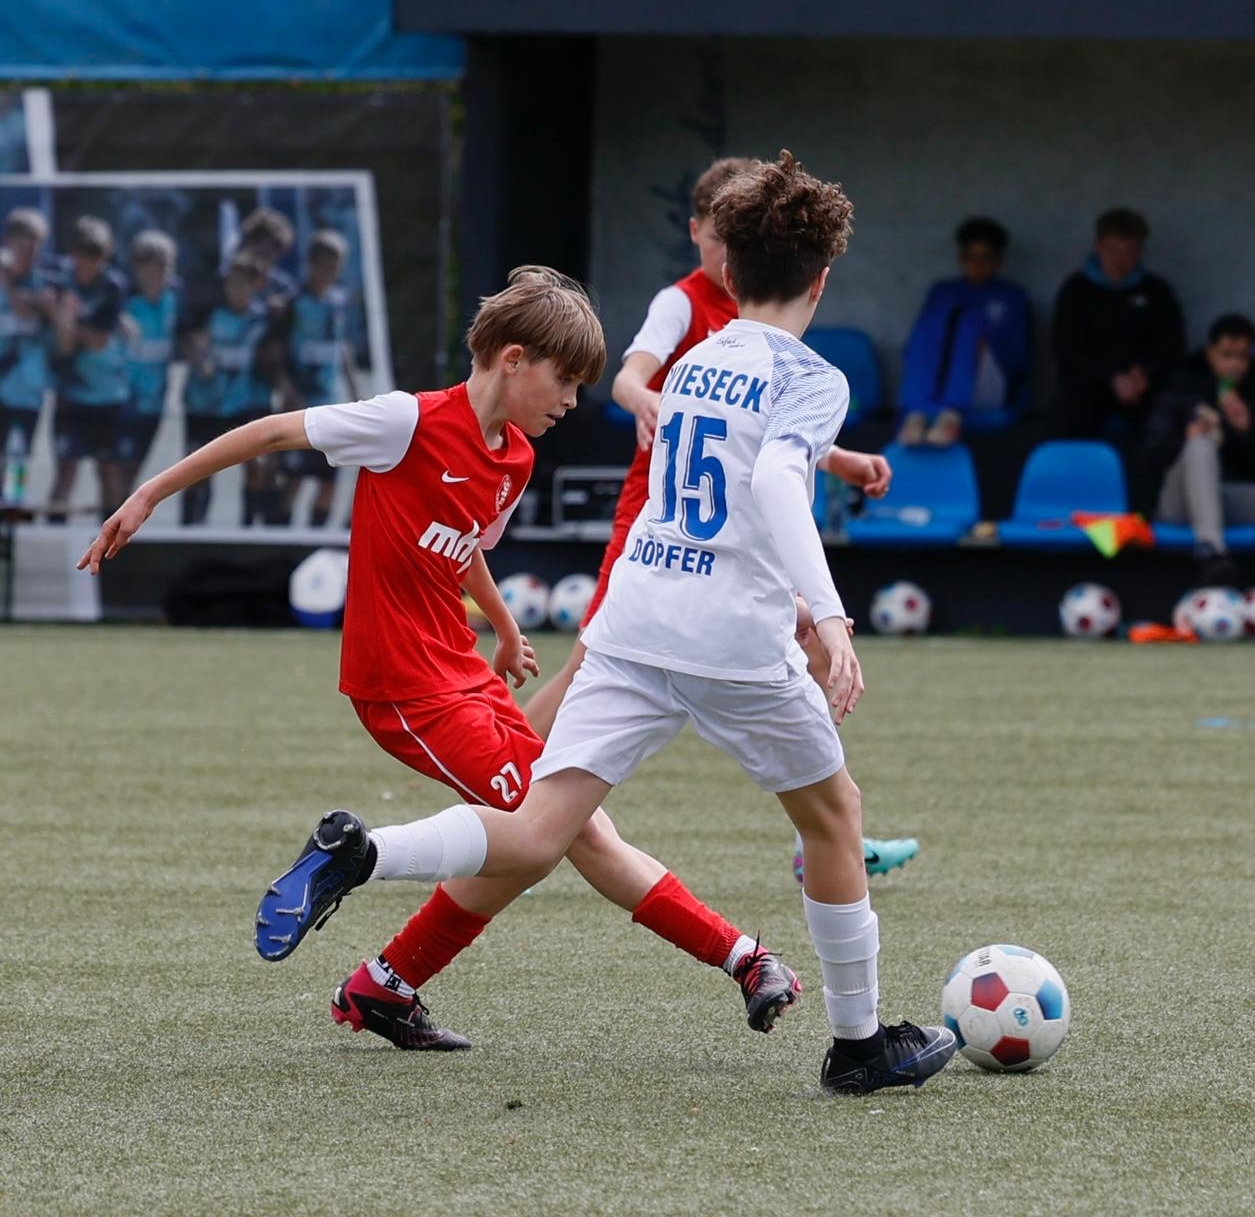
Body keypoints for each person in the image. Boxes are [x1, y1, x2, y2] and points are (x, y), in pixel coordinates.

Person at [251, 154, 959, 1094]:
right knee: (833, 815)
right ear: (821, 280)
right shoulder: (812, 377)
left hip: (633, 621)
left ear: (727, 271)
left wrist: (791, 597)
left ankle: (366, 850)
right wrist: (824, 614)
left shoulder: (695, 362)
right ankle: (860, 1044)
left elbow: (700, 510)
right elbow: (775, 484)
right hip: (728, 642)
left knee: (539, 831)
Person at [79, 266, 802, 1051]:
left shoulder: (514, 457)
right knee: (576, 830)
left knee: (531, 844)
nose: (570, 401)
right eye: (564, 380)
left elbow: (464, 543)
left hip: (463, 673)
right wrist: (149, 493)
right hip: (402, 687)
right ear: (514, 359)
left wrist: (503, 624)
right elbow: (272, 432)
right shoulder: (405, 422)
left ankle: (384, 985)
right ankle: (744, 958)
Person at [523, 156, 919, 884]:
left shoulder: (726, 346)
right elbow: (637, 383)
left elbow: (758, 439)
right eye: (711, 234)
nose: (717, 250)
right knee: (582, 671)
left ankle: (821, 831)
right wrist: (645, 399)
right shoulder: (686, 311)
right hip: (667, 524)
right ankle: (499, 769)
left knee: (805, 656)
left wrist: (836, 458)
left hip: (713, 538)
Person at [1142, 313, 1255, 641]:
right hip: (1177, 501)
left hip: (1226, 498)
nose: (1235, 365)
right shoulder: (1183, 379)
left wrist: (1245, 431)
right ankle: (1212, 554)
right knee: (1200, 445)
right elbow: (1149, 454)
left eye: (1243, 357)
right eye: (1227, 355)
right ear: (1210, 353)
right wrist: (1185, 437)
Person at [895, 217, 1032, 447]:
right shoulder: (943, 292)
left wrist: (983, 346)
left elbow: (1019, 360)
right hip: (938, 382)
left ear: (999, 261)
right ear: (961, 258)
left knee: (970, 322)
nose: (977, 265)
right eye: (971, 257)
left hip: (987, 386)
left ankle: (950, 415)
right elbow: (918, 346)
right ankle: (916, 413)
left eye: (985, 258)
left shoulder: (1012, 297)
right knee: (938, 315)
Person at [1052, 207, 1185, 439]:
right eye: (1112, 250)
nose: (1120, 260)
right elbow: (1065, 347)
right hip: (1090, 382)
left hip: (1143, 383)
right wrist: (1111, 377)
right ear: (1097, 246)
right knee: (1068, 414)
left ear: (1140, 251)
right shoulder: (1076, 289)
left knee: (1168, 420)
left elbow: (1173, 345)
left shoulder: (1156, 290)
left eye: (1130, 251)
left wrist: (1143, 373)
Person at [179, 252, 275, 525]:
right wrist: (200, 358)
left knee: (255, 466)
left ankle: (248, 527)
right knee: (198, 470)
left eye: (242, 283)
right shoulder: (210, 315)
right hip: (203, 405)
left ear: (254, 285)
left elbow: (271, 357)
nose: (236, 290)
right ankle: (191, 527)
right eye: (231, 283)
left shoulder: (263, 320)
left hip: (241, 406)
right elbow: (190, 343)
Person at [273, 229, 358, 526]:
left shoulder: (338, 301)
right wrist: (287, 390)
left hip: (331, 402)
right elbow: (277, 352)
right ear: (310, 264)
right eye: (323, 266)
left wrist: (354, 389)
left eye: (334, 267)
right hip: (300, 404)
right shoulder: (293, 302)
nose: (329, 273)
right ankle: (282, 538)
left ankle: (316, 536)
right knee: (294, 478)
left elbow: (341, 346)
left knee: (329, 479)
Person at [49, 216, 129, 521]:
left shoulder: (112, 286)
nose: (89, 264)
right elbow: (64, 345)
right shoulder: (60, 280)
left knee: (109, 471)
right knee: (65, 470)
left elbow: (98, 340)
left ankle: (113, 541)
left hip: (109, 396)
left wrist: (66, 319)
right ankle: (51, 534)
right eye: (84, 255)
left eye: (96, 257)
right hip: (71, 395)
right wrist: (64, 322)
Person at [0, 208, 60, 483]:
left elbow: (28, 311)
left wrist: (7, 281)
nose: (28, 255)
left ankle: (13, 506)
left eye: (34, 248)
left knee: (18, 457)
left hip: (26, 389)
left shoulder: (47, 283)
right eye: (21, 247)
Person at [121, 231, 181, 488]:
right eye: (151, 265)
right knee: (115, 472)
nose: (159, 272)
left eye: (165, 265)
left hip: (155, 402)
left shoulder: (176, 300)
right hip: (123, 401)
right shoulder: (124, 301)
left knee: (133, 473)